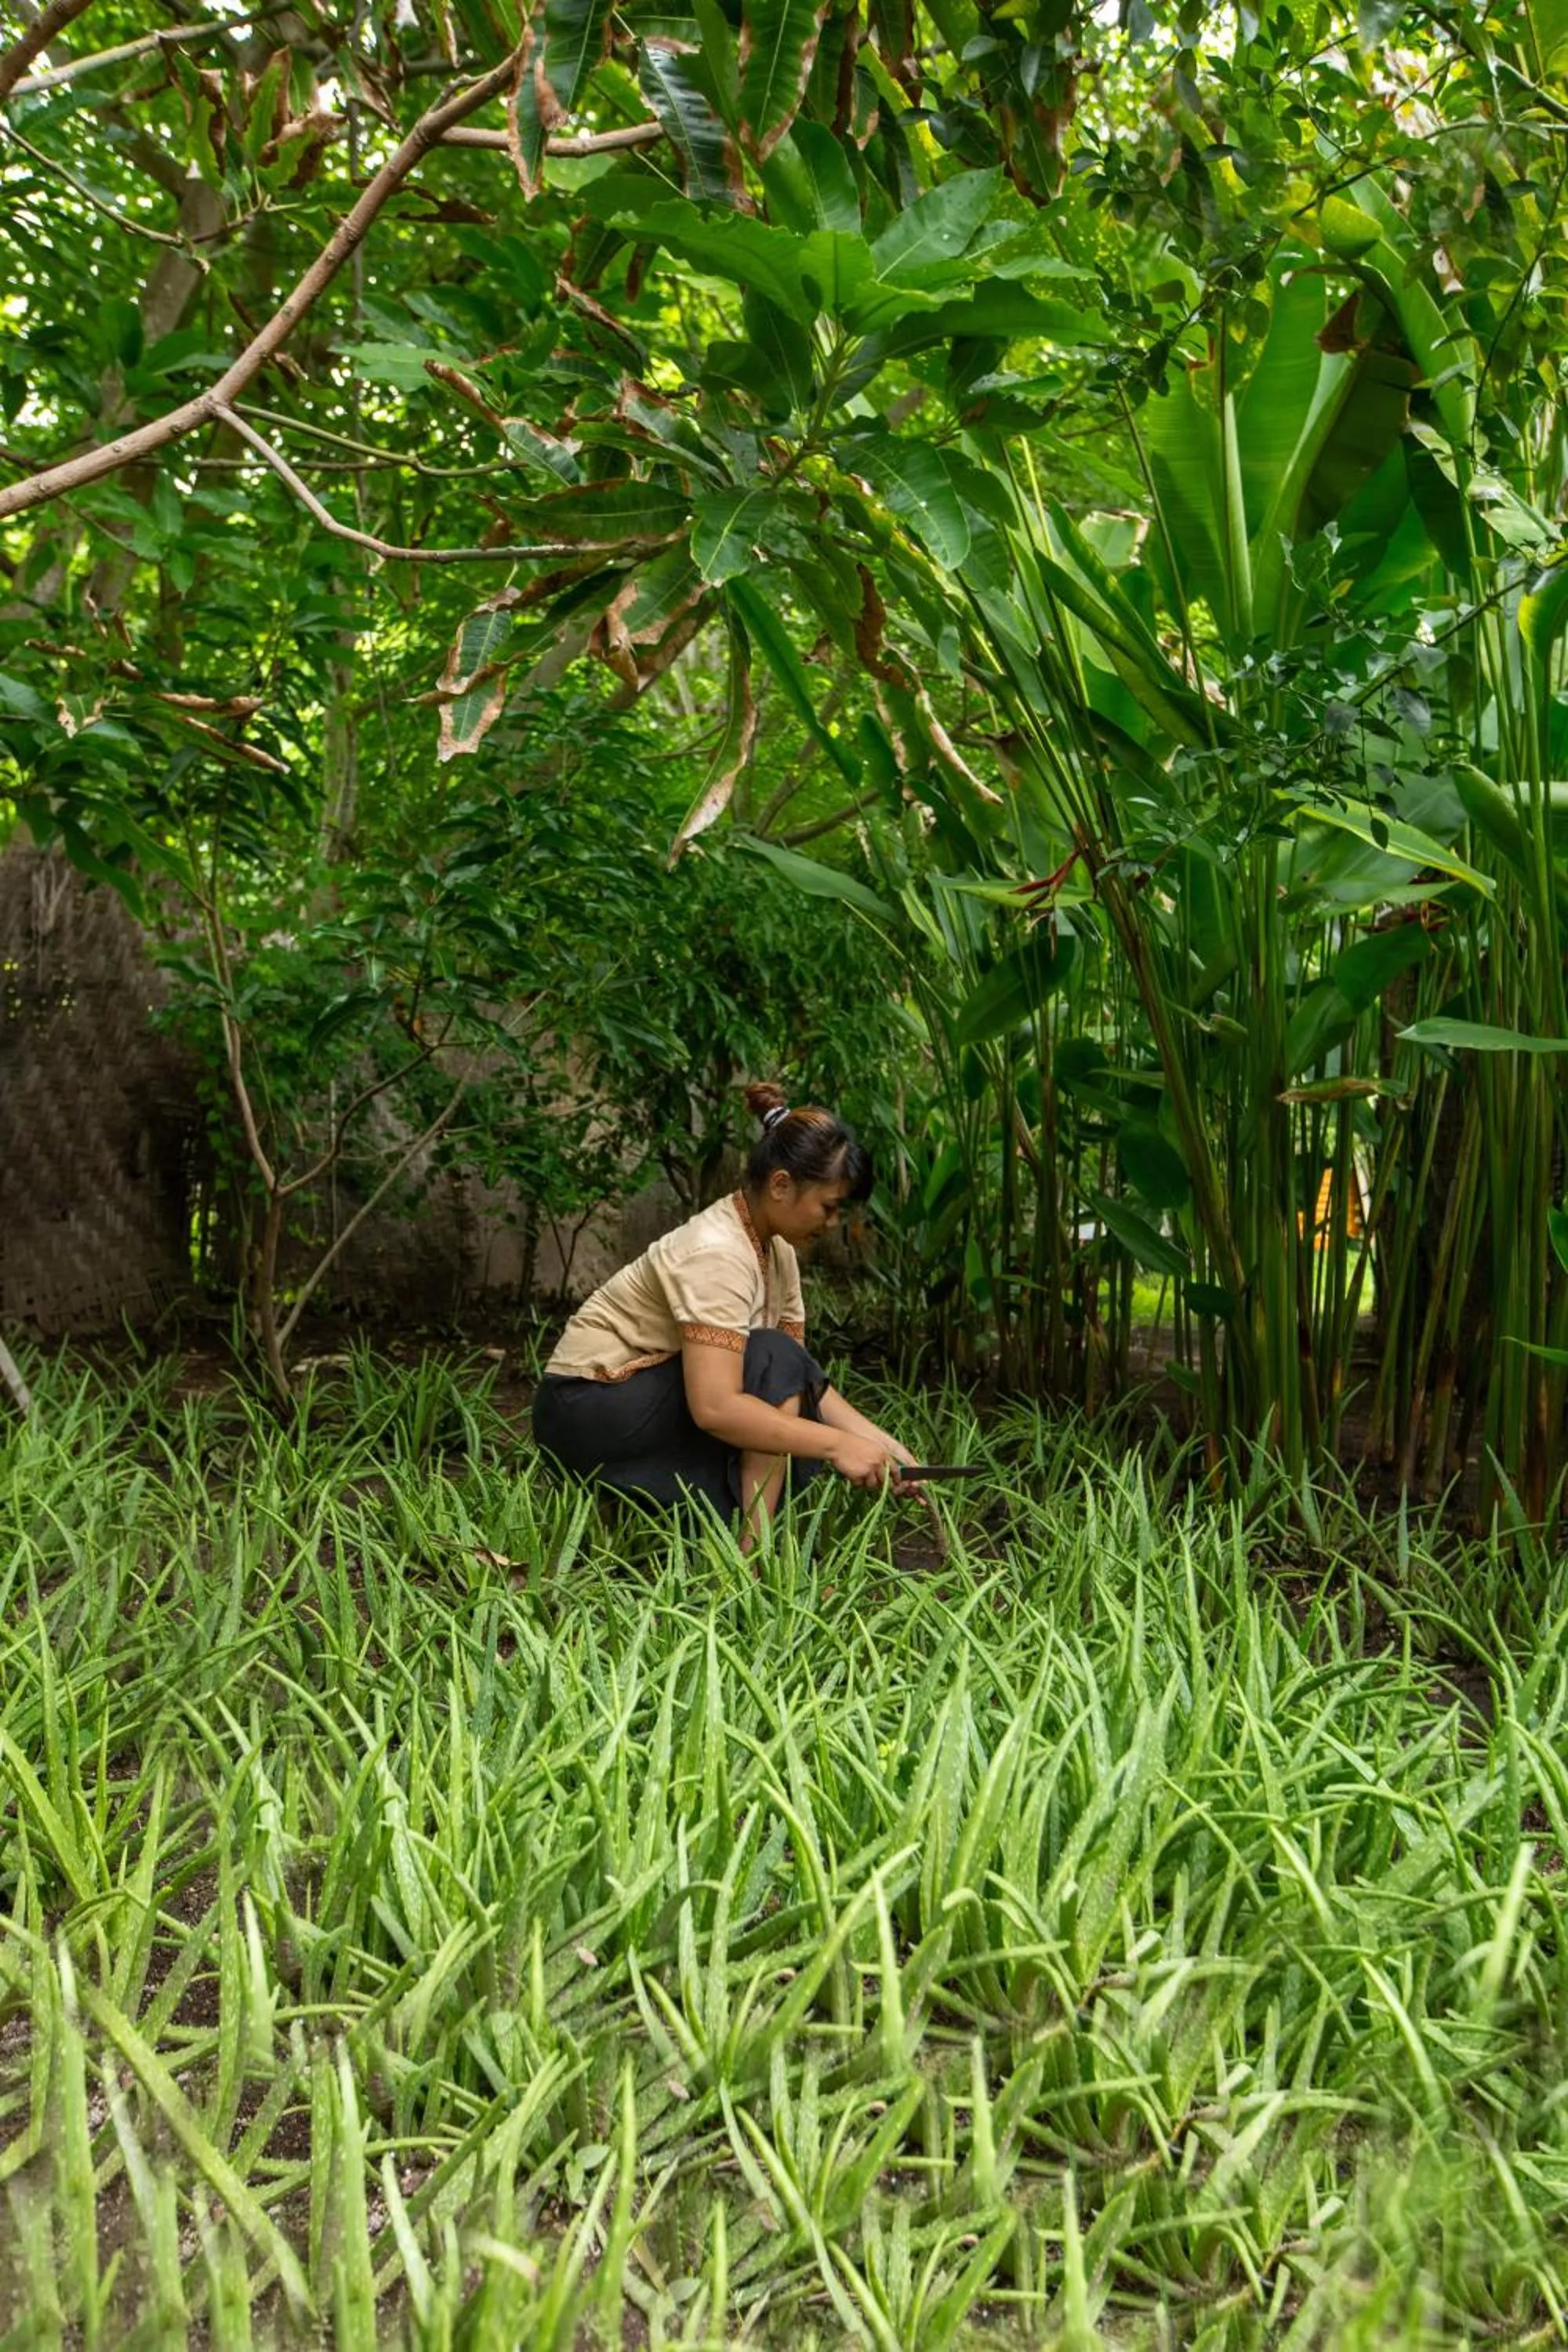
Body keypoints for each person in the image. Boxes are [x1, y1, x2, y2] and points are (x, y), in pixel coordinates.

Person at [532, 1082, 916, 1548]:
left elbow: (793, 1380)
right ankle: (753, 1562)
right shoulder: (716, 1251)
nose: (833, 1223)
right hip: (586, 1408)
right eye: (829, 1207)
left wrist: (887, 1449)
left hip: (637, 1400)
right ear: (781, 1185)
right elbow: (716, 1407)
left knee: (777, 1374)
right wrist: (838, 1446)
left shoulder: (778, 1252)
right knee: (769, 1364)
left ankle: (749, 1551)